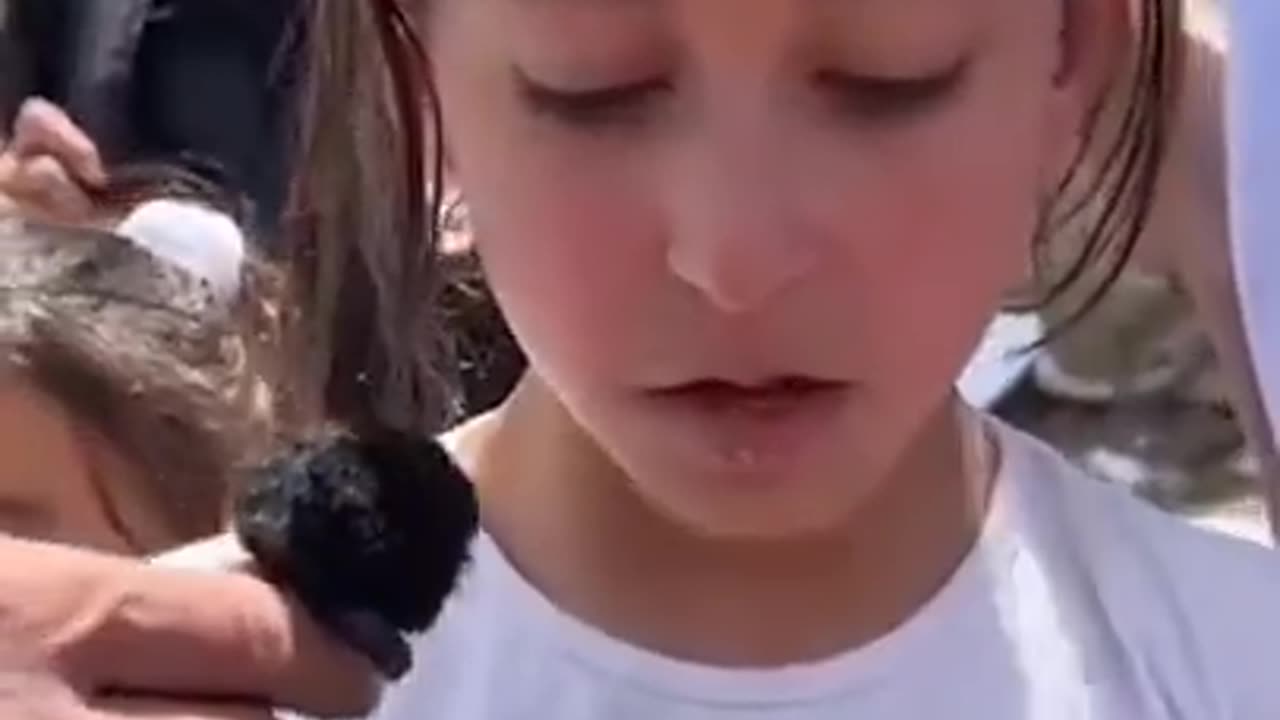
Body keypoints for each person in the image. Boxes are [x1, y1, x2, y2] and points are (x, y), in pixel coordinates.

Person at [6, 1, 1280, 719]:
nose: (734, 258)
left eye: (885, 82)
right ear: (422, 79)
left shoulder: (1235, 664)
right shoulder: (180, 685)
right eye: (592, 91)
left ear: (1072, 57)